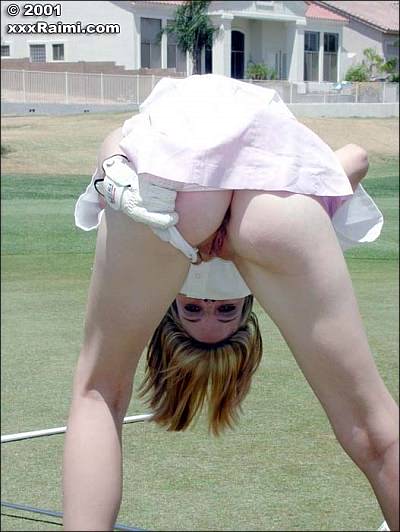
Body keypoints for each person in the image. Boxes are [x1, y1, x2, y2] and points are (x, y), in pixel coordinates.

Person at [64, 75, 398, 531]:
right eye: (223, 309)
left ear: (169, 308)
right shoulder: (262, 238)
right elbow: (354, 158)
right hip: (266, 195)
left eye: (194, 310)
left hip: (169, 182)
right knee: (372, 424)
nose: (208, 301)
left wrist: (114, 165)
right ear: (248, 306)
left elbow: (116, 143)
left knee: (97, 392)